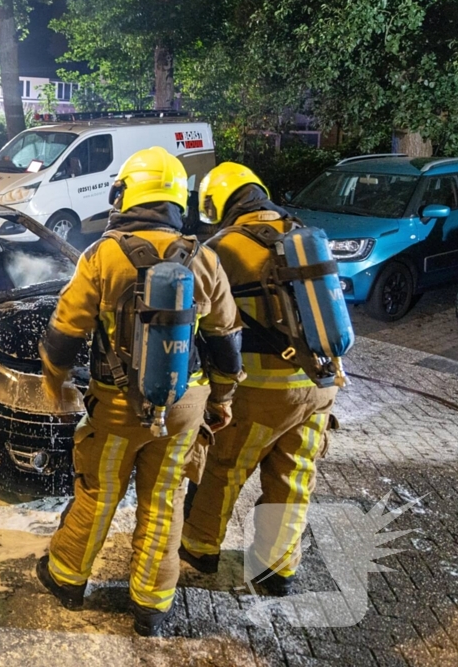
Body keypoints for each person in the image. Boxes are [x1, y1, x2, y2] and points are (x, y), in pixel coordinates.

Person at [37, 146, 244, 637]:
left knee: (99, 490)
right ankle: (152, 604)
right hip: (183, 404)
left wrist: (55, 383)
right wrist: (222, 400)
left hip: (115, 407)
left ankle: (67, 577)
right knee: (165, 499)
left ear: (124, 195)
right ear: (177, 200)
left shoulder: (102, 256)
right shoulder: (205, 258)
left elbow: (63, 333)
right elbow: (226, 342)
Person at [180, 163, 339, 596]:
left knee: (224, 467)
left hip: (262, 390)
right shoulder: (304, 234)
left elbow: (196, 320)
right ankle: (277, 569)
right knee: (293, 476)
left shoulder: (220, 249)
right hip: (320, 384)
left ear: (220, 203)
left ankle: (199, 547)